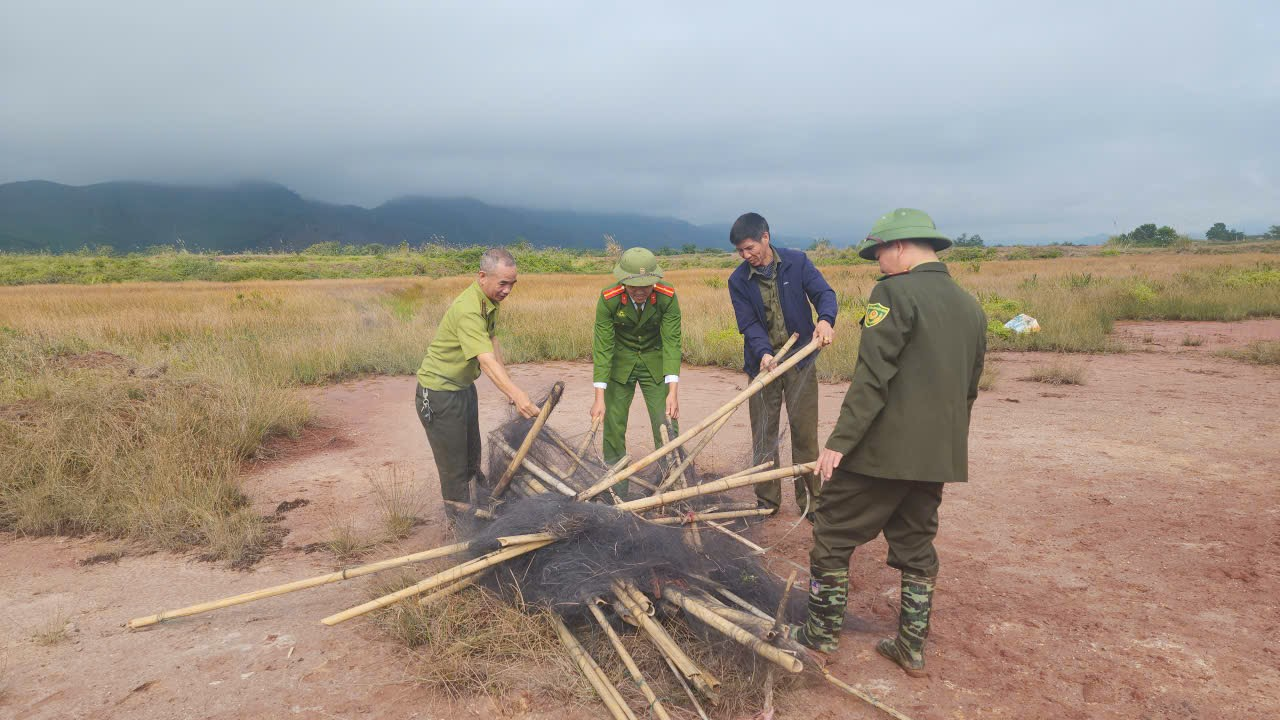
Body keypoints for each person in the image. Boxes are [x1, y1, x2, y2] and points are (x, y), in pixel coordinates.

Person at [790, 208, 987, 679]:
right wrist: (944, 445)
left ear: (899, 247)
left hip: (881, 452)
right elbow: (969, 390)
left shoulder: (893, 293)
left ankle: (819, 637)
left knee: (833, 532)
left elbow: (872, 378)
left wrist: (839, 443)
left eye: (879, 251)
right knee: (917, 545)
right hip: (937, 454)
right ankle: (911, 648)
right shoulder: (970, 306)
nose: (877, 261)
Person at [727, 212, 837, 519]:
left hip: (800, 361)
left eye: (750, 248)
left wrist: (826, 320)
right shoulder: (737, 280)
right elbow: (748, 323)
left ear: (766, 237)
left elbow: (824, 294)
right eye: (740, 251)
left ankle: (811, 503)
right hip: (763, 367)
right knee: (764, 434)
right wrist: (763, 353)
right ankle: (767, 502)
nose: (746, 255)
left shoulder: (796, 262)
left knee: (805, 434)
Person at [414, 247, 539, 515]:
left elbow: (492, 342)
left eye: (512, 284)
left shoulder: (488, 302)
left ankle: (476, 512)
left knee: (472, 459)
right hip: (438, 394)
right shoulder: (468, 310)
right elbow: (485, 359)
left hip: (463, 388)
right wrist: (516, 394)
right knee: (454, 468)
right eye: (503, 283)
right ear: (482, 276)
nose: (508, 290)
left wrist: (508, 385)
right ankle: (459, 527)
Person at [591, 247, 682, 495]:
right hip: (621, 364)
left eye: (646, 285)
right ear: (623, 281)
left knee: (666, 422)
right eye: (634, 286)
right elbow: (603, 347)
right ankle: (615, 491)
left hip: (655, 362)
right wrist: (599, 397)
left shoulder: (667, 296)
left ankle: (670, 488)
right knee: (613, 425)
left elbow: (672, 342)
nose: (640, 291)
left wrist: (673, 391)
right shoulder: (609, 298)